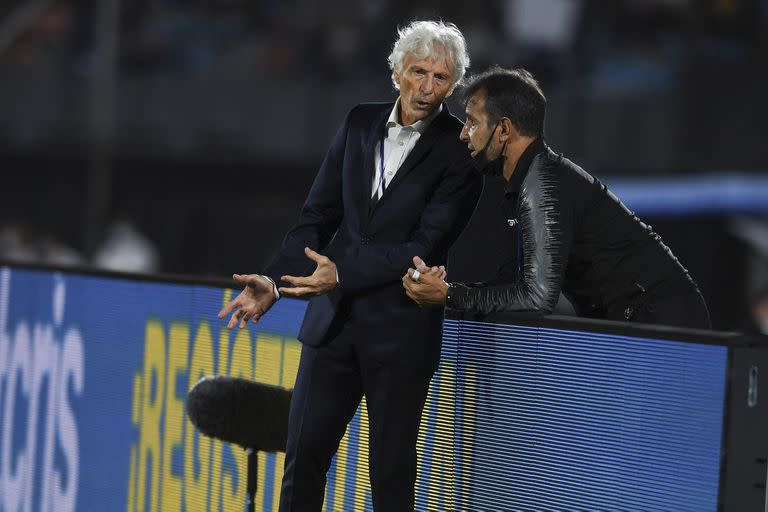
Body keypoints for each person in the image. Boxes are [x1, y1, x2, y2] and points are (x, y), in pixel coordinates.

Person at [218, 21, 482, 511]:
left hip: (401, 333)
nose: (427, 87)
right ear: (397, 72)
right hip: (333, 326)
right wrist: (274, 282)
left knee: (390, 477)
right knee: (302, 463)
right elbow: (317, 216)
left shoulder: (460, 151)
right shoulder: (359, 122)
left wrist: (340, 271)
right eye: (418, 72)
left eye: (441, 78)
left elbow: (425, 245)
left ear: (454, 84)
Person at [403, 66, 710, 329]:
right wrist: (444, 290)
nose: (463, 133)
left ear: (504, 129)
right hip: (646, 316)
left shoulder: (543, 183)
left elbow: (536, 297)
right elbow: (511, 285)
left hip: (663, 317)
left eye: (471, 122)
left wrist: (449, 296)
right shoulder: (526, 181)